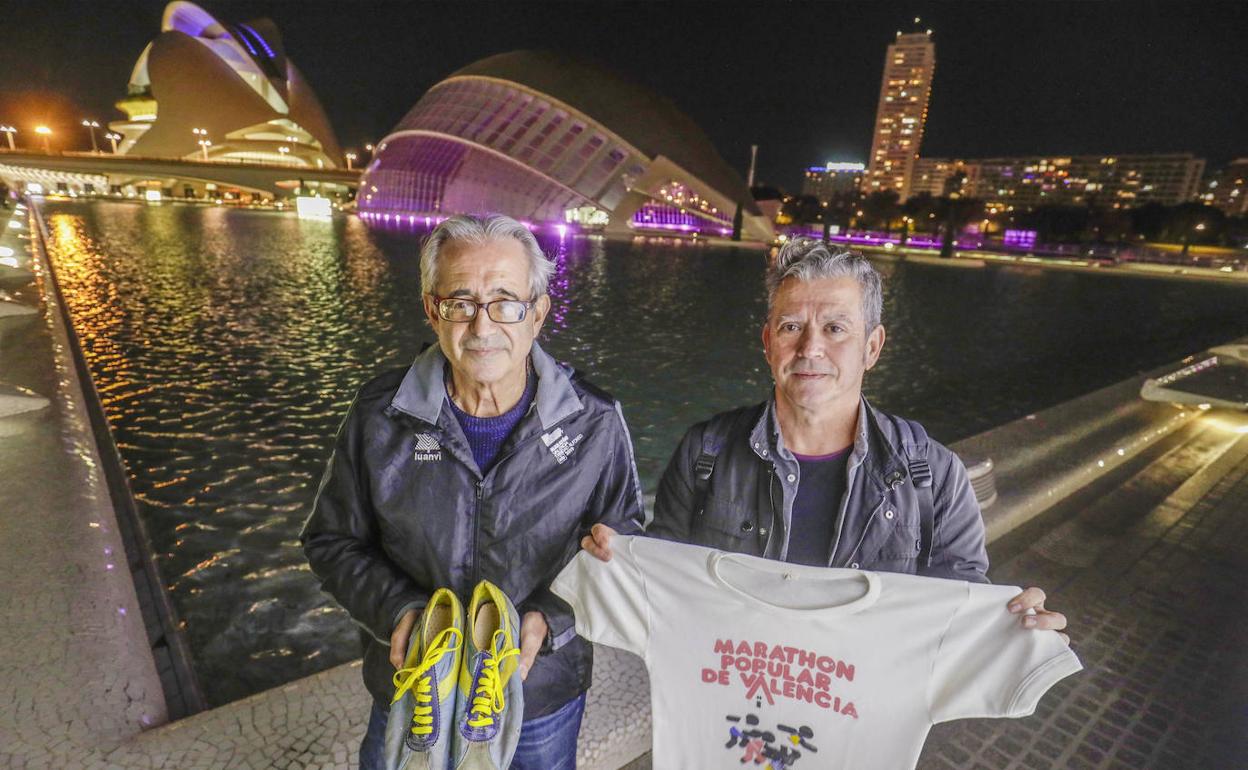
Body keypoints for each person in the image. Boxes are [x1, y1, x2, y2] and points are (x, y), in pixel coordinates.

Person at [582, 237, 1067, 639]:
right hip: (733, 697)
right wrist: (623, 559)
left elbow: (960, 609)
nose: (810, 347)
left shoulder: (933, 476)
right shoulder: (704, 451)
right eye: (792, 326)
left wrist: (1011, 629)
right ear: (768, 342)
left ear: (872, 347)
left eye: (836, 328)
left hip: (853, 716)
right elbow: (670, 576)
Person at [301, 214, 645, 770]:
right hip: (414, 684)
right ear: (432, 310)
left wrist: (551, 618)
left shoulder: (594, 421)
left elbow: (621, 541)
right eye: (461, 302)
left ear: (538, 312)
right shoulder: (379, 415)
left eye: (506, 301)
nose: (483, 327)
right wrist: (400, 612)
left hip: (540, 689)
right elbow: (332, 539)